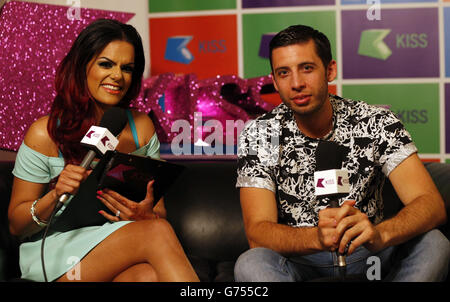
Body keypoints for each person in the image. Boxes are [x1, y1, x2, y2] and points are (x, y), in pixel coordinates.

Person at [234, 24, 449, 282]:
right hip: (300, 261)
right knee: (250, 263)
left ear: (330, 70)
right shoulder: (261, 133)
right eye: (284, 73)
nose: (297, 83)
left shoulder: (375, 121)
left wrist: (380, 235)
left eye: (307, 68)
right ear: (275, 81)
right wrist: (317, 237)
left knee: (435, 243)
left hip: (371, 253)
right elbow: (257, 232)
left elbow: (431, 204)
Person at [7, 19, 199, 282]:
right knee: (157, 231)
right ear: (81, 66)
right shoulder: (44, 133)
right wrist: (55, 195)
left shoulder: (141, 127)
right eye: (106, 64)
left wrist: (144, 214)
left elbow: (158, 213)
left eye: (127, 68)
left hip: (119, 247)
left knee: (148, 275)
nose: (118, 76)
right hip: (60, 255)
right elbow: (17, 225)